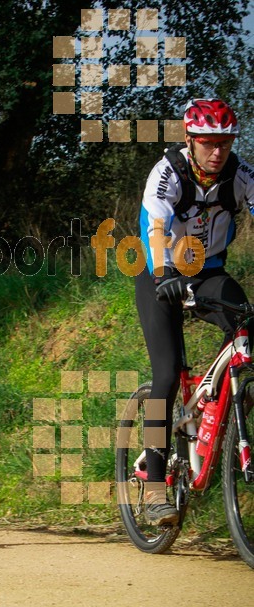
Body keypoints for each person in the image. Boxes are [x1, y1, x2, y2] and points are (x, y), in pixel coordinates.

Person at [136, 98, 254, 525]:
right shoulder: (167, 172)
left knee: (247, 330)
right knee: (166, 376)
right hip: (160, 273)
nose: (217, 151)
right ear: (190, 140)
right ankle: (152, 485)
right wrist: (164, 275)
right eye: (208, 142)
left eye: (224, 142)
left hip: (210, 273)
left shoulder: (240, 175)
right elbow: (156, 227)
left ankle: (214, 403)